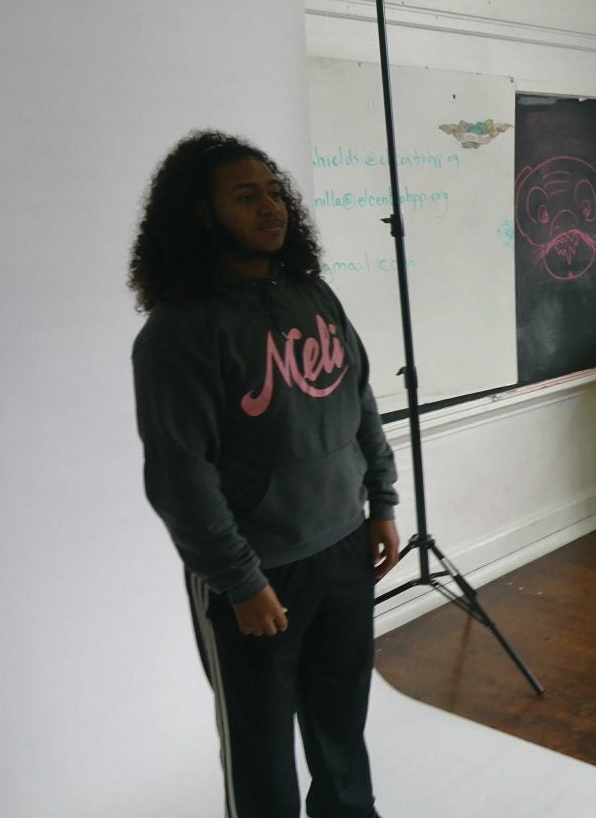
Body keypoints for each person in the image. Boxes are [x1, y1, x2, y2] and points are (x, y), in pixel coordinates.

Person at [129, 130, 402, 818]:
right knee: (261, 757)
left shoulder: (314, 295)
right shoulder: (178, 331)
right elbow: (178, 475)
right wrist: (240, 580)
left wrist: (382, 501)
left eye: (275, 192)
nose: (270, 207)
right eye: (245, 196)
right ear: (200, 213)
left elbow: (358, 400)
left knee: (342, 730)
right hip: (260, 576)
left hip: (342, 548)